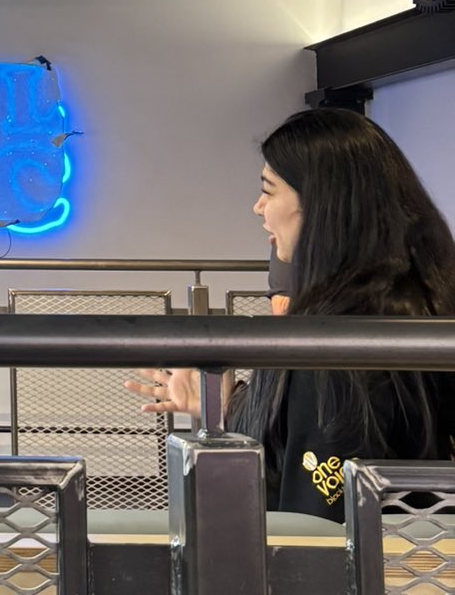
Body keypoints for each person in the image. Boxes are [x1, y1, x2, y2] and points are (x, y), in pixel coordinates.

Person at [128, 108, 455, 519]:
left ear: (320, 204)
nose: (258, 207)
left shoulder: (337, 342)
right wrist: (231, 405)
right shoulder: (415, 299)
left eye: (269, 190)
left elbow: (317, 525)